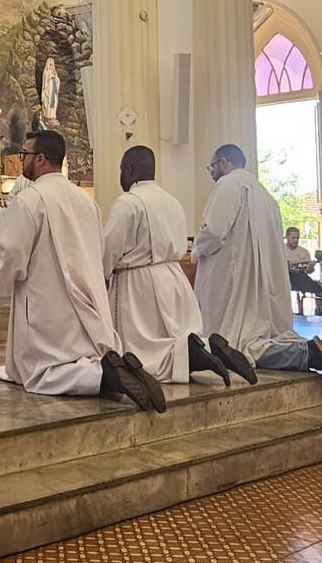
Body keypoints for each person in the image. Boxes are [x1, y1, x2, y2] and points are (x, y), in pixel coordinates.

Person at [0, 130, 166, 411]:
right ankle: (118, 367)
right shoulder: (86, 200)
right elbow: (98, 249)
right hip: (86, 300)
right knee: (81, 354)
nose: (22, 159)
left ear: (40, 158)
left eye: (25, 154)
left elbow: (10, 256)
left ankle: (105, 376)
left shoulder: (30, 200)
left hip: (46, 303)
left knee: (45, 371)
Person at [104, 146, 256, 386]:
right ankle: (207, 349)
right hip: (173, 277)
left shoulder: (128, 203)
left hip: (139, 283)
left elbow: (110, 248)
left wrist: (101, 275)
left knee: (145, 352)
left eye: (121, 169)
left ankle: (193, 354)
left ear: (129, 170)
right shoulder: (172, 201)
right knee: (175, 335)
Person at [193, 144, 322, 371]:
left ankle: (305, 354)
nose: (211, 173)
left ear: (224, 163)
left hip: (234, 279)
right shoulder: (266, 195)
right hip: (260, 281)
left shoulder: (227, 185)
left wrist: (196, 249)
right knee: (257, 334)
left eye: (212, 167)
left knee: (236, 342)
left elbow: (213, 232)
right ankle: (305, 351)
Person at [284, 226, 322, 314]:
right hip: (283, 278)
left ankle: (318, 303)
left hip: (300, 277)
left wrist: (310, 268)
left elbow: (309, 271)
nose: (296, 240)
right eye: (293, 238)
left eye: (298, 238)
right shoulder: (280, 250)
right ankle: (317, 290)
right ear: (287, 237)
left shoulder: (304, 252)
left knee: (299, 275)